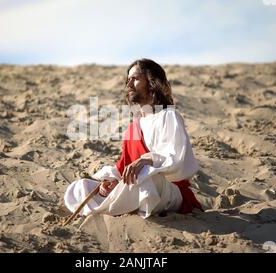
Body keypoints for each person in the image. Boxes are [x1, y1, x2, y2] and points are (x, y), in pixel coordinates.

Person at [64, 58, 203, 219]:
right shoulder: (134, 126)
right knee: (81, 186)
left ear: (152, 83)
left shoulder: (168, 115)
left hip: (169, 190)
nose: (129, 85)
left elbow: (176, 158)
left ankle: (111, 207)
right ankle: (112, 206)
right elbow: (123, 168)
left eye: (135, 79)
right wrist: (110, 182)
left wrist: (145, 160)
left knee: (145, 177)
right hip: (137, 185)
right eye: (128, 80)